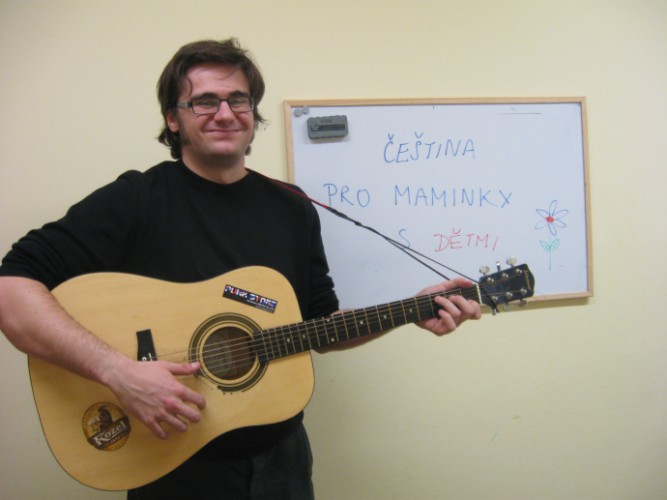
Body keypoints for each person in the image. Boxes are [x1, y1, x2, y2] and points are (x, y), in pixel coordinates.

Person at [0, 38, 481, 499]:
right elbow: (11, 288)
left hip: (283, 461)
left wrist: (412, 309)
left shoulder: (292, 208)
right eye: (204, 102)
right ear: (173, 119)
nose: (226, 113)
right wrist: (117, 371)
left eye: (238, 100)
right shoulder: (137, 200)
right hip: (174, 464)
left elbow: (320, 327)